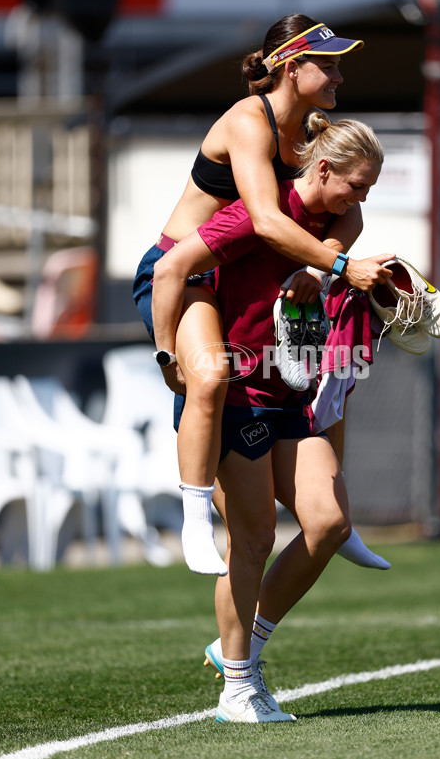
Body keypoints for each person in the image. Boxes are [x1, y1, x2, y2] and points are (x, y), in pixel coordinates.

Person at [133, 14, 392, 577]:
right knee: (208, 375)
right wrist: (344, 268)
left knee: (335, 375)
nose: (339, 76)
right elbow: (268, 222)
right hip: (183, 273)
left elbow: (351, 214)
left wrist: (324, 274)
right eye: (329, 65)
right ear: (291, 66)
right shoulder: (250, 121)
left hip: (236, 276)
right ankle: (196, 518)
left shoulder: (313, 132)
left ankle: (329, 520)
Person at [156, 113, 392, 722]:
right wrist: (166, 355)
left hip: (285, 390)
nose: (362, 197)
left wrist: (333, 274)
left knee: (329, 522)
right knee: (256, 537)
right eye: (357, 184)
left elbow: (331, 254)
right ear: (322, 168)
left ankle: (239, 647)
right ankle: (239, 686)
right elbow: (169, 268)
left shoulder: (340, 220)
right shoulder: (259, 213)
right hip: (235, 396)